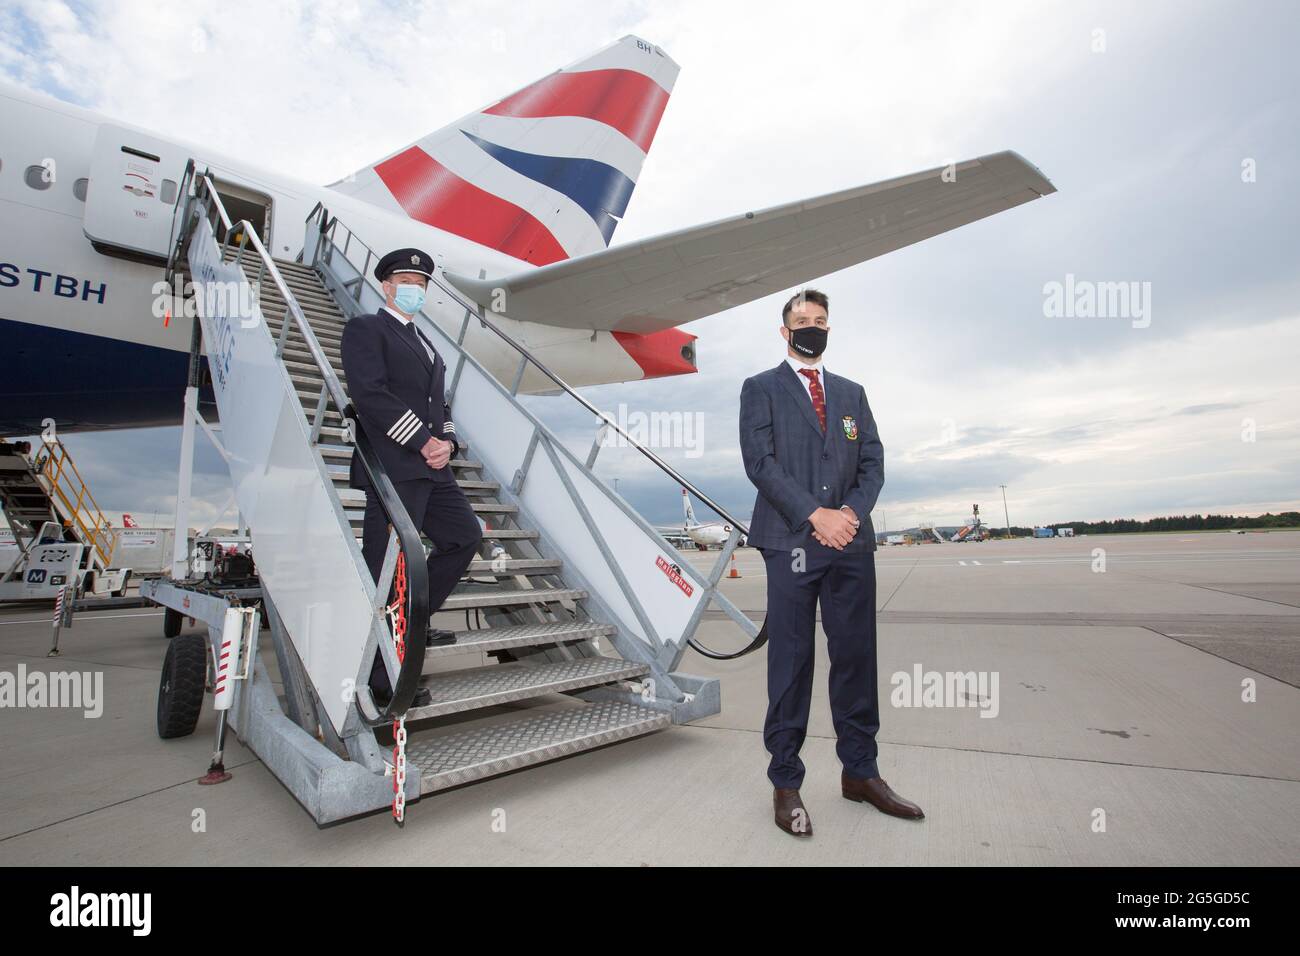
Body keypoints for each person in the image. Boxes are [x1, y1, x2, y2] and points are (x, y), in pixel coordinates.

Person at [738, 288, 924, 837]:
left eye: (820, 321)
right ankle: (786, 782)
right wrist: (815, 514)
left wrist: (848, 514)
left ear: (829, 328)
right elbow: (760, 463)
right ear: (785, 331)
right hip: (792, 540)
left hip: (850, 544)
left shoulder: (852, 393)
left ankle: (861, 774)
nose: (812, 328)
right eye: (802, 321)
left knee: (855, 660)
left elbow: (873, 463)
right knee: (792, 665)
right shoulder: (761, 389)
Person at [340, 247, 483, 708]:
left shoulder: (428, 345)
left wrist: (448, 443)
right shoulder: (367, 329)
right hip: (393, 467)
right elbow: (369, 393)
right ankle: (383, 678)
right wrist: (422, 440)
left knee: (464, 537)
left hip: (432, 469)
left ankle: (411, 621)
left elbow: (439, 408)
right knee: (386, 570)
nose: (414, 290)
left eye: (421, 284)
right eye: (405, 281)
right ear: (386, 286)